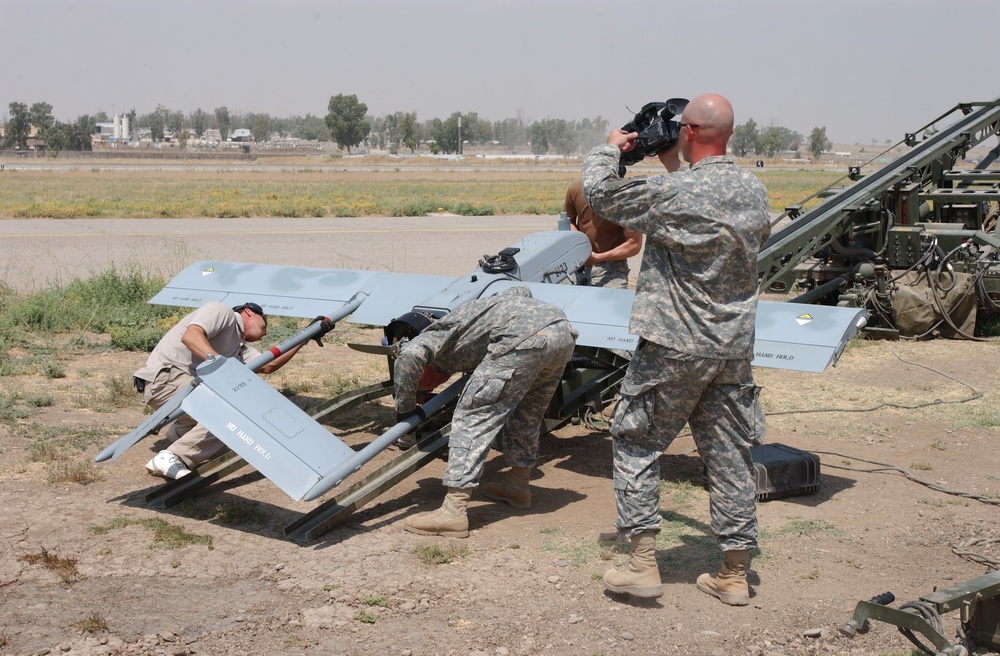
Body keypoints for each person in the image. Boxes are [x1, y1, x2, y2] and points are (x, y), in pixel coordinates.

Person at [582, 94, 771, 605]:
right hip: (731, 350)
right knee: (730, 454)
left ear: (687, 133)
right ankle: (733, 574)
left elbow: (601, 194)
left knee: (637, 441)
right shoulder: (753, 190)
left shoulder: (675, 195)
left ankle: (642, 564)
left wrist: (610, 149)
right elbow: (694, 202)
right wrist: (672, 159)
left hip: (672, 346)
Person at [393, 286, 577, 538]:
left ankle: (453, 512)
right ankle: (517, 486)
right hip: (561, 331)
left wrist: (404, 414)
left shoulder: (433, 337)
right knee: (527, 414)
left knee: (472, 415)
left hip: (521, 339)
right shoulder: (469, 313)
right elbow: (521, 290)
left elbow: (410, 355)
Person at [133, 301, 334, 479]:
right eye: (264, 324)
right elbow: (191, 336)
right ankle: (173, 457)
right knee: (232, 414)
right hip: (166, 379)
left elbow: (268, 365)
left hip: (177, 388)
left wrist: (306, 335)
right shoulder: (223, 312)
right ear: (248, 312)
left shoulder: (239, 347)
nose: (266, 332)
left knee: (234, 424)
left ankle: (181, 432)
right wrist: (220, 364)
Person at [563, 179, 642, 288]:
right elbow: (567, 221)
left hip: (611, 268)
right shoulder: (577, 188)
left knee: (610, 302)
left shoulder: (626, 196)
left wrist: (598, 257)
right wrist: (580, 247)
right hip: (577, 263)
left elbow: (634, 244)